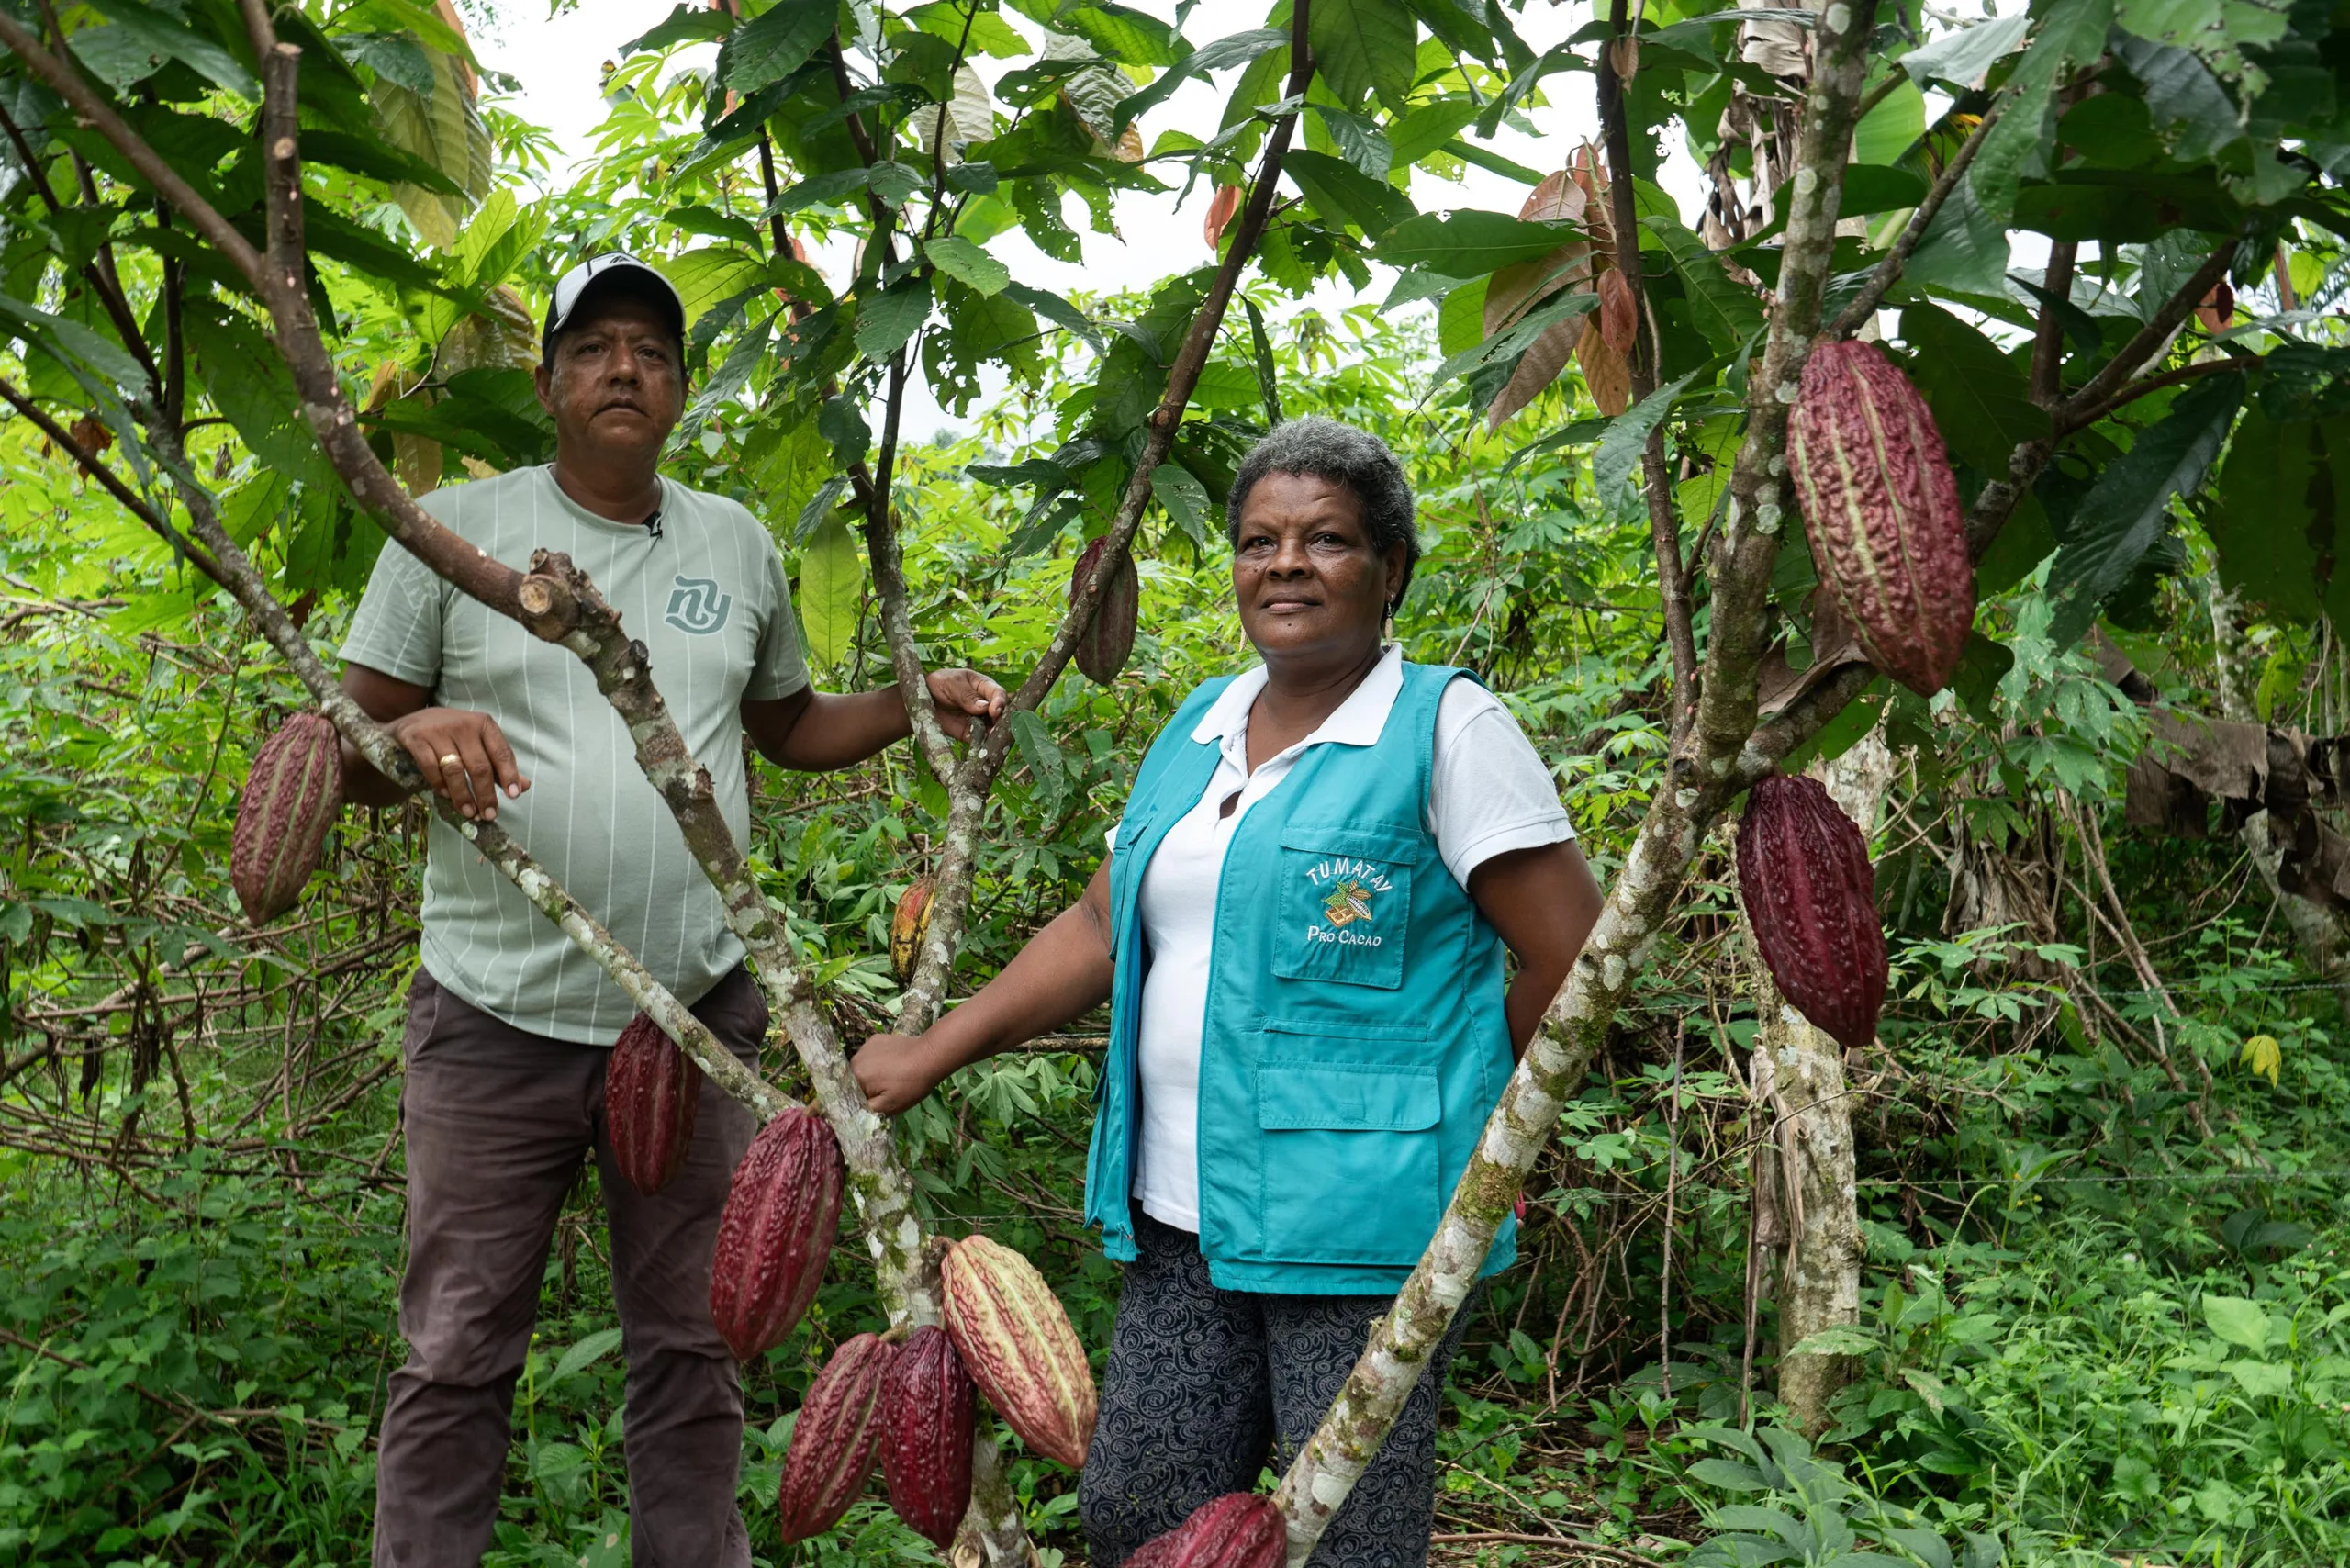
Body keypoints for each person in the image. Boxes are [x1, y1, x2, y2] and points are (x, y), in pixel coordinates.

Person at [341, 252, 1006, 1568]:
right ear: (547, 383)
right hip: (495, 1016)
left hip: (698, 1019)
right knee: (458, 1347)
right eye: (594, 348)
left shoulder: (734, 542)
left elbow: (788, 726)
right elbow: (346, 745)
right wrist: (415, 730)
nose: (623, 369)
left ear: (684, 387)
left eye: (650, 348)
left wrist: (912, 702)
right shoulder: (453, 532)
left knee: (696, 1343)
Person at [853, 416, 1604, 1566]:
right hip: (1180, 1217)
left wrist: (1461, 1114)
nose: (1285, 563)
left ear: (1389, 569)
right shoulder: (1199, 725)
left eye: (1327, 539)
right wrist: (933, 1048)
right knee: (1137, 1515)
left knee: (1344, 1541)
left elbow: (1574, 962)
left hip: (1362, 1233)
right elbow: (1102, 922)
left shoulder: (1446, 728)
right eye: (1259, 541)